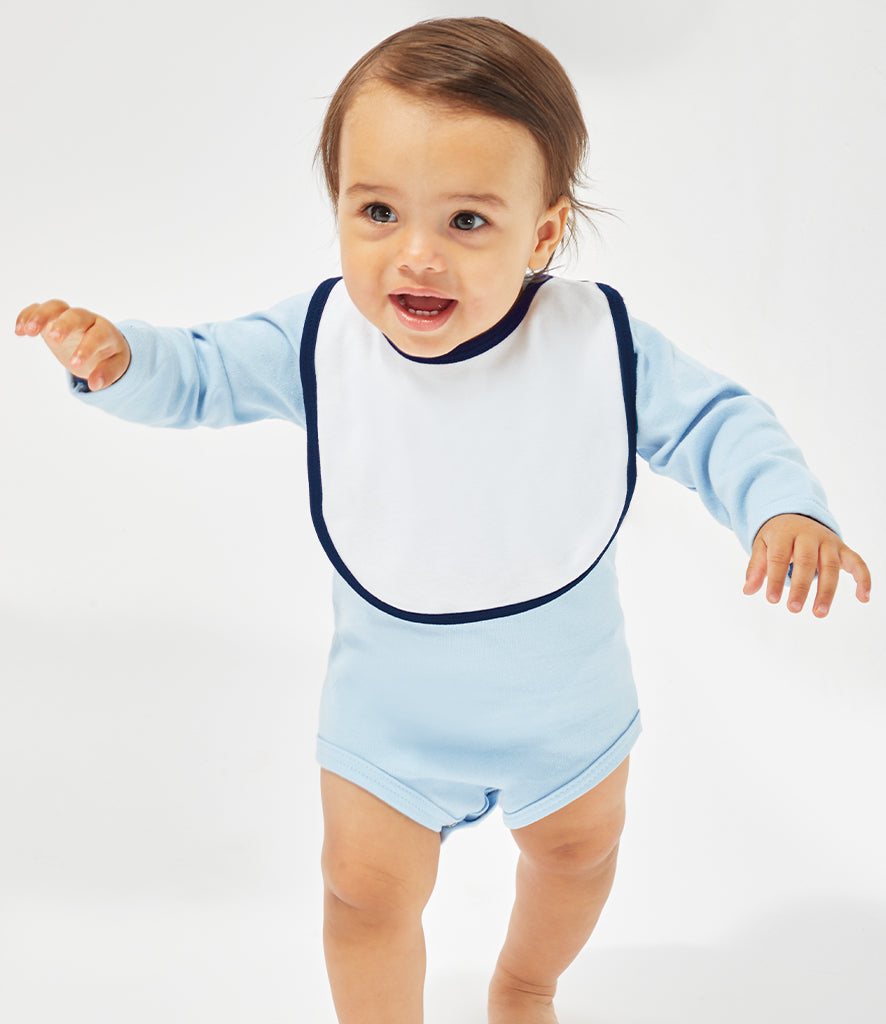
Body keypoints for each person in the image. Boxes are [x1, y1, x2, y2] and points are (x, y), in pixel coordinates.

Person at [14, 16, 870, 1024]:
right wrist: (121, 359)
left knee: (579, 855)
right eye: (378, 210)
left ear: (541, 235)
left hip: (568, 712)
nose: (415, 255)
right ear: (338, 205)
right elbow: (199, 372)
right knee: (360, 896)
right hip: (389, 721)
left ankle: (525, 986)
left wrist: (781, 505)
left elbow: (713, 421)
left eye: (466, 221)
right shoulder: (321, 338)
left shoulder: (595, 342)